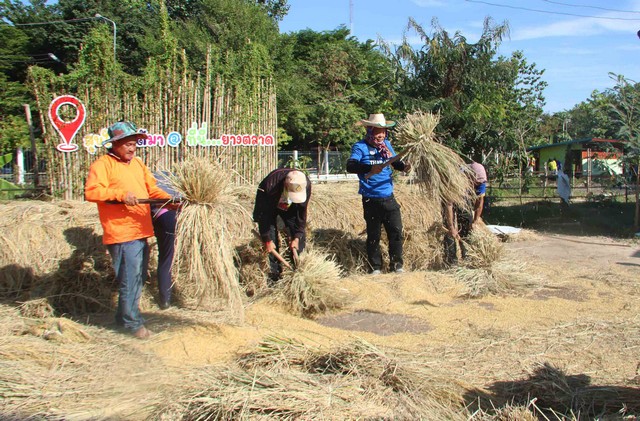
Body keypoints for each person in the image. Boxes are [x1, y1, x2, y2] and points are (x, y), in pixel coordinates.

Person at [85, 121, 171, 339]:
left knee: (138, 278)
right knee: (130, 279)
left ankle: (122, 318)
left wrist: (172, 200)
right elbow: (92, 192)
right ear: (114, 145)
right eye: (127, 145)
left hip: (141, 231)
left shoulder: (138, 165)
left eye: (134, 144)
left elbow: (152, 189)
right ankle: (133, 324)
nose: (132, 149)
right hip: (121, 233)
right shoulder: (102, 165)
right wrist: (120, 195)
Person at [346, 113, 411, 274]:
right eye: (377, 131)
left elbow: (395, 163)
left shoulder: (386, 145)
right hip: (370, 199)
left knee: (395, 232)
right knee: (373, 235)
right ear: (369, 130)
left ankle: (397, 265)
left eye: (383, 131)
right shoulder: (360, 147)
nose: (381, 135)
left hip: (388, 197)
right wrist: (369, 168)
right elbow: (351, 166)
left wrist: (404, 167)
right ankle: (375, 267)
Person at [252, 168, 311, 285]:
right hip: (269, 203)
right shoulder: (270, 186)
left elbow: (301, 214)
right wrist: (266, 238)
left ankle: (297, 271)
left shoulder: (305, 184)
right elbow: (264, 216)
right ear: (285, 185)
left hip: (288, 204)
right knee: (271, 237)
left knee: (298, 235)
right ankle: (274, 275)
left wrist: (297, 237)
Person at [443, 161, 487, 266]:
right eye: (475, 183)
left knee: (467, 221)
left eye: (478, 184)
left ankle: (467, 256)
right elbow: (448, 205)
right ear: (468, 177)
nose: (477, 185)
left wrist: (475, 221)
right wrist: (451, 227)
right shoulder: (454, 179)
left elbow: (480, 201)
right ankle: (451, 261)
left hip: (464, 196)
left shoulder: (481, 180)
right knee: (449, 230)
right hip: (450, 197)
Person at [150, 172, 179, 310]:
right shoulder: (171, 182)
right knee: (168, 257)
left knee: (165, 257)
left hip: (159, 218)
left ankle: (165, 299)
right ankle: (166, 298)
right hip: (170, 218)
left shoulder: (149, 181)